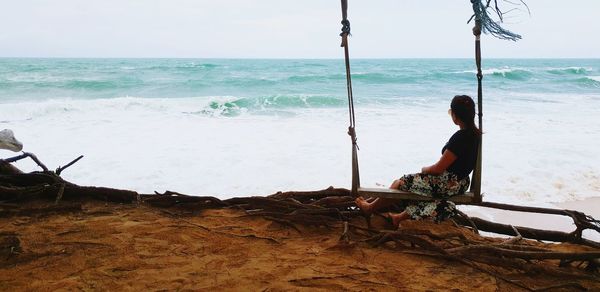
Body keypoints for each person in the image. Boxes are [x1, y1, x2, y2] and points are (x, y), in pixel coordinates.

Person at [355, 95, 481, 227]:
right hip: (461, 183)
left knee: (401, 182)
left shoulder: (460, 138)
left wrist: (425, 169)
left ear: (455, 116)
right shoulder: (476, 135)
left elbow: (438, 169)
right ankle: (395, 216)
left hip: (448, 183)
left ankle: (370, 208)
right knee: (441, 204)